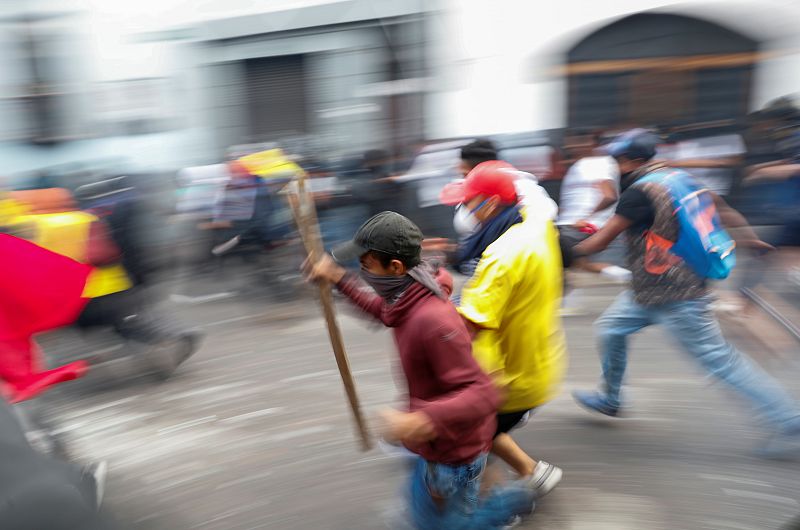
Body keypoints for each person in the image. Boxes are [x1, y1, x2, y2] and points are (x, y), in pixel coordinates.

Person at [570, 129, 800, 457]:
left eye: (617, 160)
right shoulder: (678, 177)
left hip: (678, 295)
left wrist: (563, 252)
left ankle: (788, 418)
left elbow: (602, 241)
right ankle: (611, 399)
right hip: (647, 290)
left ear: (631, 161)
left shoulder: (639, 192)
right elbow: (722, 209)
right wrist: (748, 237)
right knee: (610, 329)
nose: (614, 166)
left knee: (720, 361)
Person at [303, 211, 536, 529]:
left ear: (395, 267)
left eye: (366, 264)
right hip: (433, 444)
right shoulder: (406, 293)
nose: (362, 271)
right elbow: (384, 313)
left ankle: (508, 503)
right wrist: (339, 279)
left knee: (450, 526)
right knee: (424, 517)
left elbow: (482, 392)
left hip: (456, 452)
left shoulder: (431, 319)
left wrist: (420, 419)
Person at [441, 161, 566, 494]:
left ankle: (496, 506)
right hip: (539, 362)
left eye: (467, 202)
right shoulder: (536, 226)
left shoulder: (502, 254)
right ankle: (531, 473)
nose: (463, 209)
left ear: (491, 204)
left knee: (465, 435)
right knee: (485, 433)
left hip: (509, 378)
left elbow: (472, 325)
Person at [557, 130, 629, 280]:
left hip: (583, 226)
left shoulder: (600, 163)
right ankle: (625, 278)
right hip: (573, 225)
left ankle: (628, 279)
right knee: (580, 263)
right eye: (571, 142)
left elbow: (609, 196)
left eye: (580, 141)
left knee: (561, 261)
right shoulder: (580, 164)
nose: (572, 147)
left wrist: (586, 217)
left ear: (594, 143)